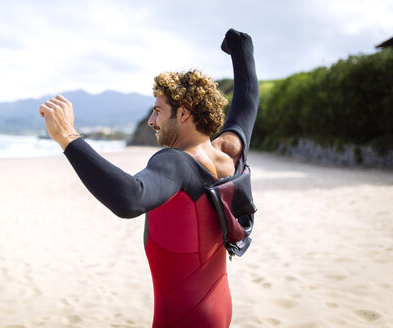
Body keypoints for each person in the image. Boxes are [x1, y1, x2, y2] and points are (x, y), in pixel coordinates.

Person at [39, 28, 258, 328]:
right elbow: (246, 104)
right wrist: (241, 49)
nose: (153, 121)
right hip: (219, 308)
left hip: (182, 319)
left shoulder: (175, 163)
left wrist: (67, 137)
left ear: (183, 113)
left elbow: (129, 198)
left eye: (158, 111)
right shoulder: (228, 153)